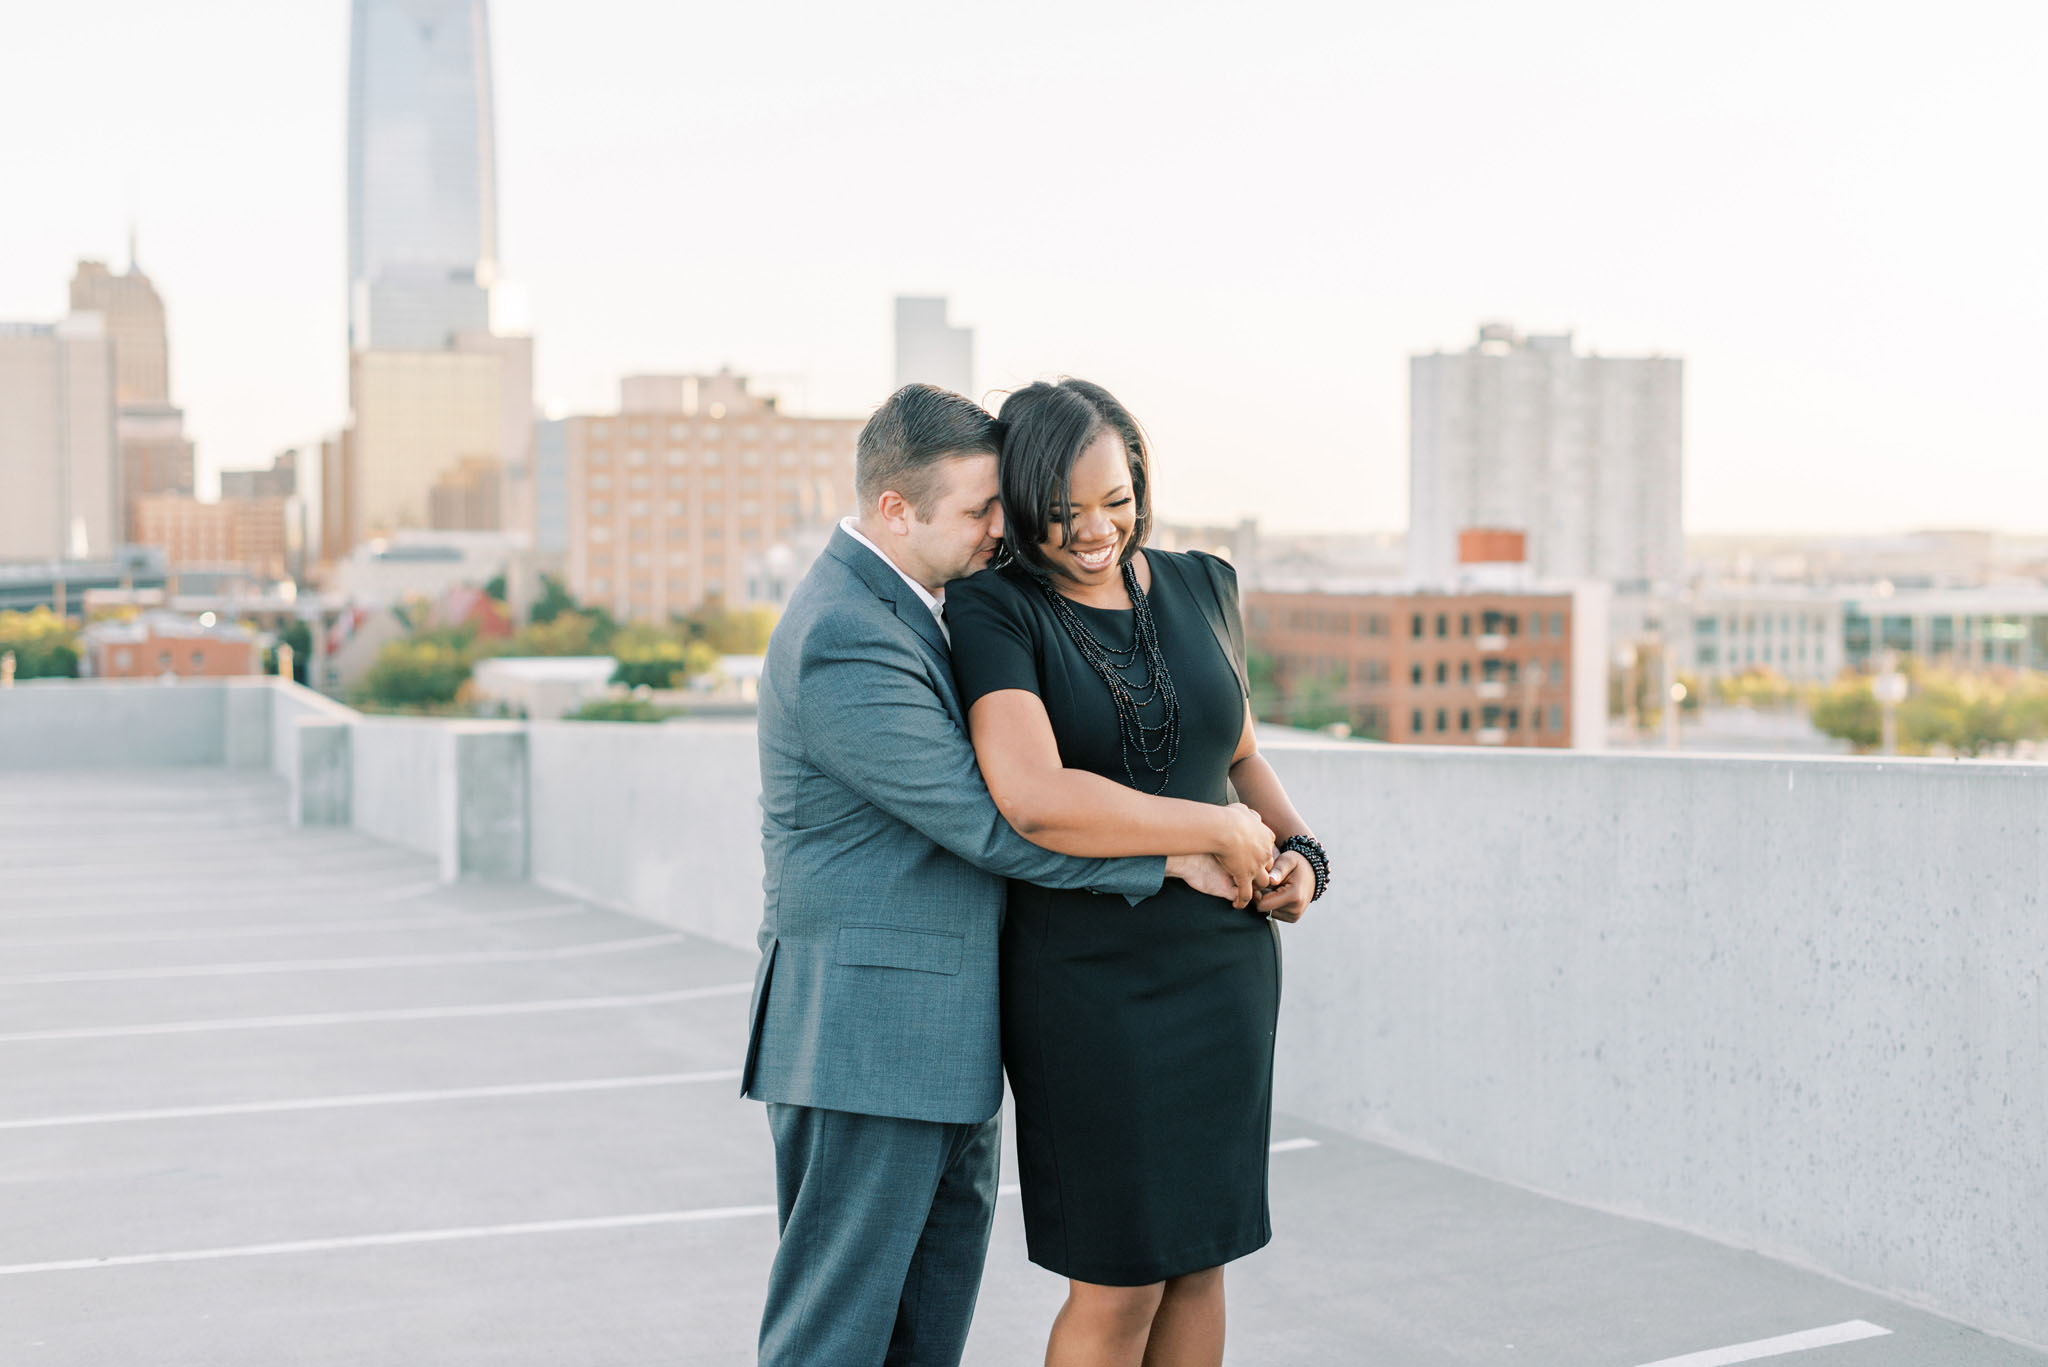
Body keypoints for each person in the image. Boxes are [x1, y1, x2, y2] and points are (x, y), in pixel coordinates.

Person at [741, 383, 1277, 1367]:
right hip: (867, 1041)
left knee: (920, 1329)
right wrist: (1175, 853)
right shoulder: (843, 632)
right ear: (896, 508)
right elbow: (987, 817)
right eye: (980, 510)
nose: (1005, 529)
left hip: (946, 1038)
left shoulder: (916, 612)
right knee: (836, 1332)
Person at [945, 377, 1329, 1367]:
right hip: (1088, 984)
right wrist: (1207, 831)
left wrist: (1298, 853)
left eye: (1114, 500)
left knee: (1199, 1260)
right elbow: (1030, 794)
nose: (1092, 530)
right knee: (1119, 1281)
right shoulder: (994, 610)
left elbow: (1237, 751)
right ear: (1021, 507)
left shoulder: (1204, 583)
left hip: (1225, 971)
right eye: (1061, 512)